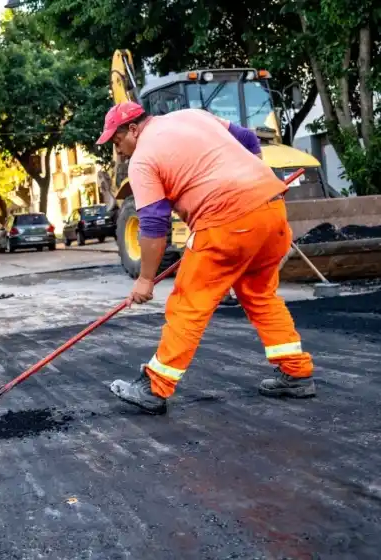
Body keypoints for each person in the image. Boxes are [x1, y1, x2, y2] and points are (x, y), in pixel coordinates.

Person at [96, 101, 315, 414]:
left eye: (118, 142)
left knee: (189, 303)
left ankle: (155, 387)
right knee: (260, 294)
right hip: (271, 208)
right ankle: (296, 373)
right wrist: (253, 179)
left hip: (225, 220)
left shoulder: (143, 160)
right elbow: (250, 141)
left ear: (133, 128)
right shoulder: (192, 115)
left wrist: (145, 279)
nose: (119, 151)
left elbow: (155, 223)